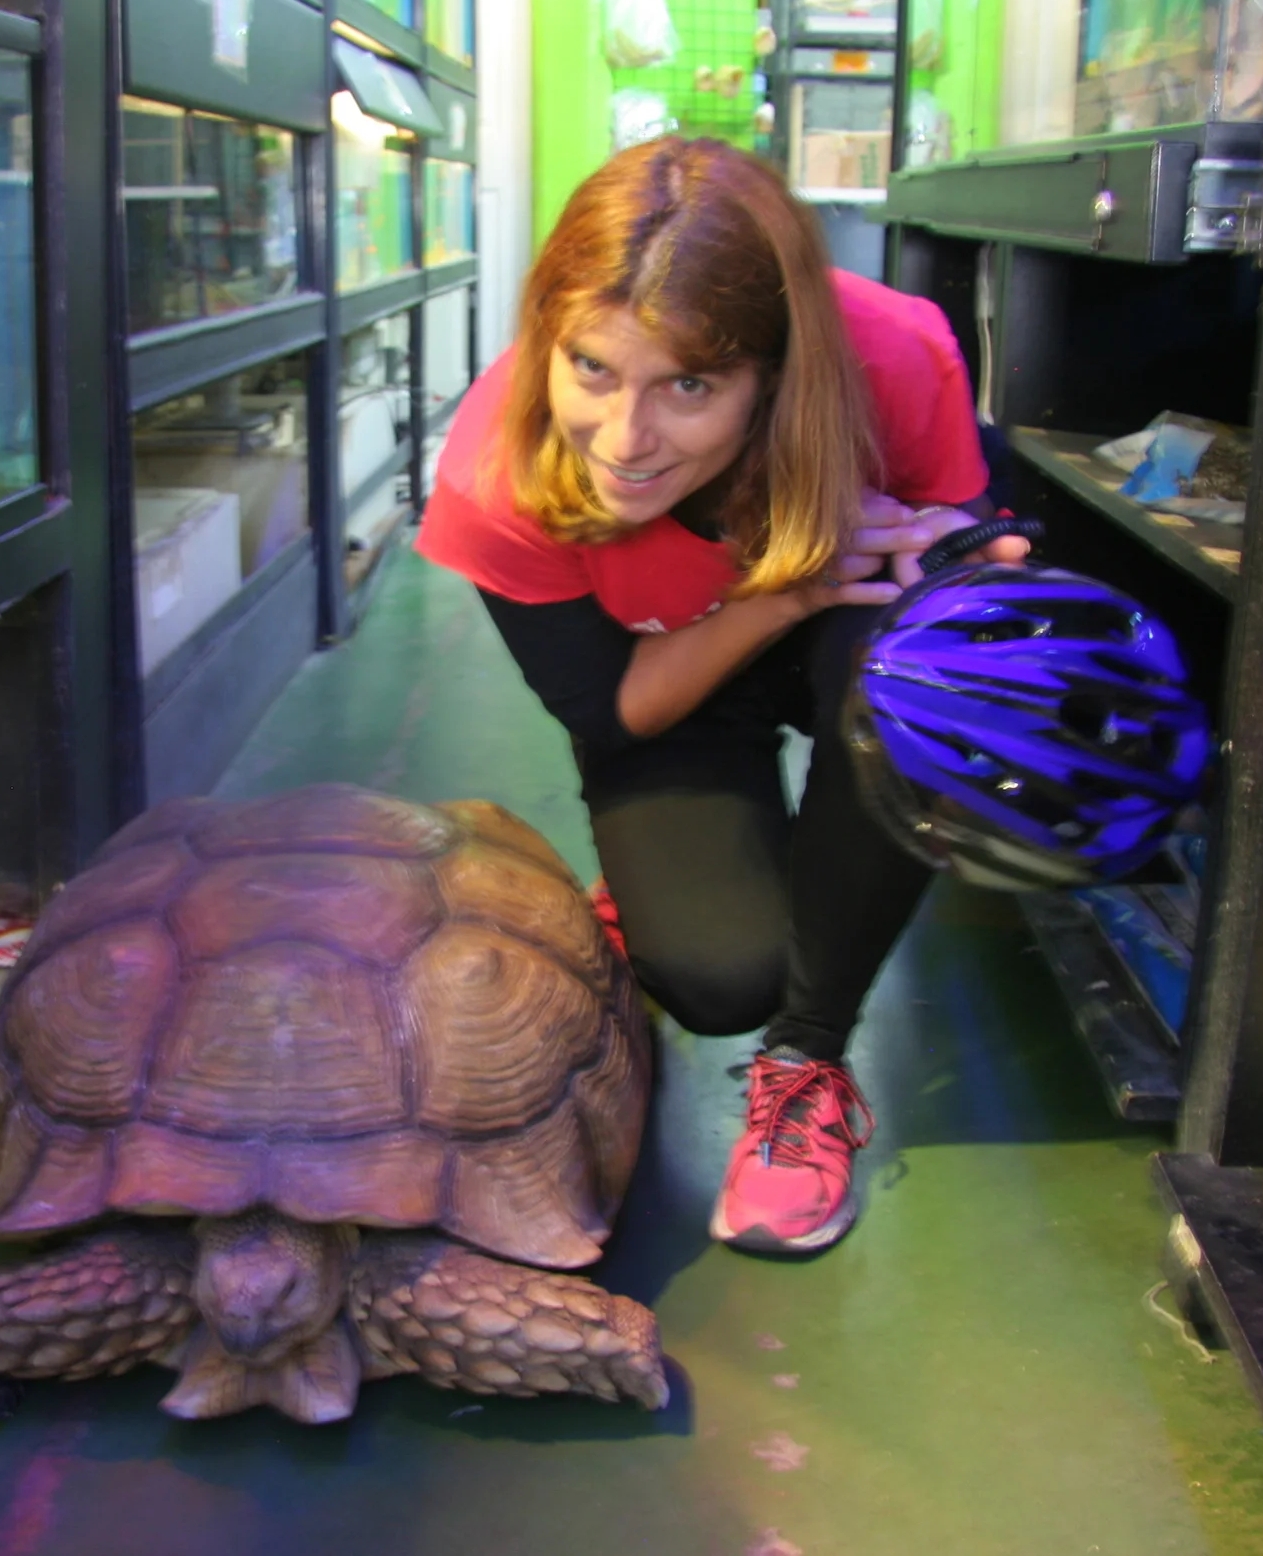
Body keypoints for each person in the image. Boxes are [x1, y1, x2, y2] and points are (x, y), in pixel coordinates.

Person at [416, 137, 1028, 1255]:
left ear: (772, 374)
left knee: (931, 678)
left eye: (688, 385)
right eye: (590, 367)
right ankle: (679, 877)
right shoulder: (493, 475)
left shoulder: (894, 355)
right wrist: (782, 593)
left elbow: (954, 567)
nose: (625, 439)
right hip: (670, 677)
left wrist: (974, 578)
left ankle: (807, 1061)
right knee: (713, 975)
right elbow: (613, 711)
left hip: (845, 641)